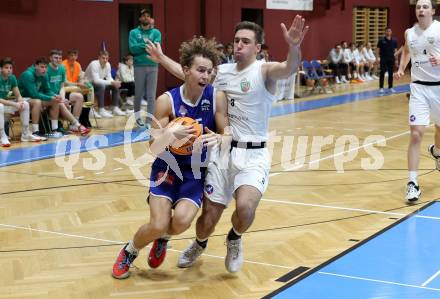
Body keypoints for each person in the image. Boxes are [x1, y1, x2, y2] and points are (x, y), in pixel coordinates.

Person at [146, 15, 308, 273]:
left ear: (257, 47)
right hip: (222, 152)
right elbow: (188, 73)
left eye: (246, 41)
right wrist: (162, 58)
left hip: (253, 155)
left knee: (245, 208)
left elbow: (289, 68)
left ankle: (234, 237)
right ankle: (199, 243)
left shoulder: (264, 70)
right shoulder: (221, 73)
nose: (239, 45)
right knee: (207, 219)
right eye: (236, 41)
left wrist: (294, 46)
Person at [111, 36, 228, 279]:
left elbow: (227, 133)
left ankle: (163, 238)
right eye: (200, 70)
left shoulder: (216, 97)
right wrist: (169, 133)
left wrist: (221, 139)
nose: (205, 76)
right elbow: (153, 148)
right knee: (157, 224)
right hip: (166, 168)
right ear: (186, 70)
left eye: (209, 71)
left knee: (181, 223)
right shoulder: (166, 101)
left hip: (195, 172)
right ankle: (130, 251)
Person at [395, 0, 440, 203]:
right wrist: (401, 68)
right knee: (416, 134)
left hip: (439, 87)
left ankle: (437, 151)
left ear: (432, 10)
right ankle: (412, 183)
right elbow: (406, 51)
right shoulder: (409, 33)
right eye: (418, 7)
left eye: (424, 7)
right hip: (418, 88)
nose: (420, 10)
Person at [129, 8, 161, 128]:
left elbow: (155, 48)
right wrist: (146, 44)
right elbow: (132, 49)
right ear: (140, 18)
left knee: (151, 95)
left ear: (151, 18)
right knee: (138, 94)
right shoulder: (133, 32)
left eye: (148, 16)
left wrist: (140, 46)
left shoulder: (156, 33)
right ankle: (137, 119)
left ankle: (149, 121)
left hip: (153, 65)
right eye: (143, 16)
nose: (146, 17)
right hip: (139, 66)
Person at [0, 57, 43, 146]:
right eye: (6, 68)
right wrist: (14, 103)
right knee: (0, 106)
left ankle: (25, 134)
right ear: (0, 69)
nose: (9, 70)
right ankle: (2, 135)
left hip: (5, 104)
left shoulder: (12, 78)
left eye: (11, 68)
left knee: (25, 104)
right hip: (1, 104)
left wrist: (20, 102)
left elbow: (18, 95)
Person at [18, 57, 64, 138]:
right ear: (36, 66)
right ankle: (35, 131)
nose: (44, 69)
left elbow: (47, 90)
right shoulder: (28, 75)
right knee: (37, 102)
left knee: (55, 101)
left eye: (46, 67)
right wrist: (50, 98)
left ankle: (54, 129)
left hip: (34, 97)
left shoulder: (44, 75)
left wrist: (55, 96)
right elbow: (34, 94)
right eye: (42, 67)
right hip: (22, 98)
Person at [47, 49, 90, 135]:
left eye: (59, 58)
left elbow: (62, 87)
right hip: (50, 95)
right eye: (56, 58)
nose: (58, 60)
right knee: (61, 103)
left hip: (61, 93)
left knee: (79, 97)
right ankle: (76, 124)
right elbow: (47, 89)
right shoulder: (47, 69)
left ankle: (74, 124)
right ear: (50, 58)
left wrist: (62, 98)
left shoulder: (62, 68)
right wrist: (61, 99)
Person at [85, 50, 124, 118]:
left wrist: (115, 82)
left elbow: (109, 77)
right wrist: (111, 82)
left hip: (98, 84)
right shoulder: (94, 64)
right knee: (102, 86)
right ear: (99, 57)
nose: (105, 60)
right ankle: (101, 110)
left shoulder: (108, 64)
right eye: (103, 58)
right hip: (88, 84)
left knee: (115, 86)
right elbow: (96, 80)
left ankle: (115, 108)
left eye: (107, 58)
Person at [62, 49, 95, 117]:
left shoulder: (78, 65)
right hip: (66, 88)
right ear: (68, 56)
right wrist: (78, 84)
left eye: (75, 55)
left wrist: (82, 83)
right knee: (80, 92)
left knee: (90, 87)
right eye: (71, 55)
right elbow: (65, 82)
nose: (73, 57)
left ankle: (89, 110)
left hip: (76, 87)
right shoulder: (63, 65)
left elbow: (81, 78)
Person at [377, 27, 398, 93]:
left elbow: (395, 50)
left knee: (391, 73)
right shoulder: (381, 40)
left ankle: (390, 87)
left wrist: (396, 59)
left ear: (391, 32)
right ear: (385, 32)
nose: (388, 32)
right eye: (387, 31)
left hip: (391, 59)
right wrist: (377, 58)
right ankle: (381, 87)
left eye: (389, 31)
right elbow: (377, 50)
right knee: (382, 73)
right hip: (383, 59)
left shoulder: (394, 40)